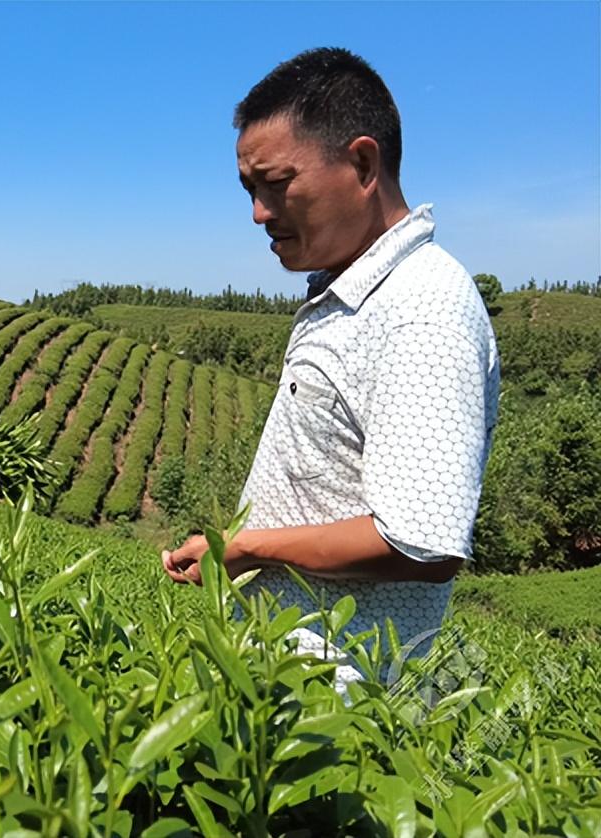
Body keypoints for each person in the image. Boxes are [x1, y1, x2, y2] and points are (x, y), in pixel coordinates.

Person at [161, 48, 500, 691]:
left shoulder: (422, 309)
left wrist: (244, 548)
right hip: (286, 679)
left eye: (276, 183)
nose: (259, 212)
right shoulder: (350, 290)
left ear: (363, 163)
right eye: (249, 190)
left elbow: (417, 544)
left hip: (345, 701)